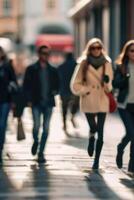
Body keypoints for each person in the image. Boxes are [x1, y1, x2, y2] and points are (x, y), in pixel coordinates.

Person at [70, 38, 113, 169]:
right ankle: (91, 139)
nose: (96, 50)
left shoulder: (107, 63)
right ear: (89, 49)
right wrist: (86, 90)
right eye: (93, 48)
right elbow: (75, 84)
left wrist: (107, 82)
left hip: (102, 98)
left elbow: (110, 87)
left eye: (98, 48)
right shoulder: (83, 63)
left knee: (100, 131)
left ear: (102, 49)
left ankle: (96, 161)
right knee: (93, 127)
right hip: (88, 98)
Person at [23, 44, 59, 163]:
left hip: (48, 103)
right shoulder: (31, 69)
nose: (46, 55)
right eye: (44, 53)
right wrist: (28, 100)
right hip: (36, 102)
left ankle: (41, 152)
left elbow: (58, 85)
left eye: (48, 53)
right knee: (36, 126)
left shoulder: (53, 70)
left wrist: (55, 91)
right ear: (39, 54)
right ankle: (36, 141)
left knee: (46, 129)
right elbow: (26, 86)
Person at [113, 40, 134, 174]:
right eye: (132, 50)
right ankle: (121, 148)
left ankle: (132, 167)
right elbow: (115, 83)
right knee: (132, 133)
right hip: (124, 105)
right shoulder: (121, 66)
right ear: (126, 52)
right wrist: (125, 78)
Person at [0, 46, 17, 163]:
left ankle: (0, 150)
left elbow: (14, 82)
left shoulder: (7, 66)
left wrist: (13, 101)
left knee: (2, 126)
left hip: (5, 100)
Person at [57, 50, 79, 135]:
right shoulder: (76, 65)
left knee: (64, 108)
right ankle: (72, 115)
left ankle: (64, 124)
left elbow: (57, 79)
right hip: (74, 90)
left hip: (64, 90)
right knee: (76, 105)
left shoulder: (61, 66)